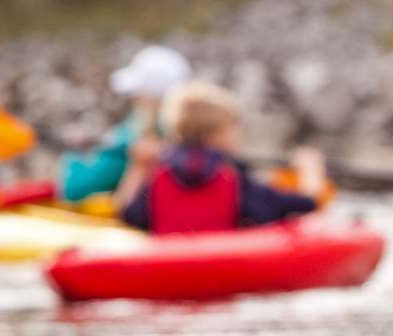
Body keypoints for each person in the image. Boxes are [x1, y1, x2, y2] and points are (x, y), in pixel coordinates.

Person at [119, 80, 326, 234]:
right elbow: (307, 204)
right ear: (218, 133)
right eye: (235, 128)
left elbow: (128, 215)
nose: (239, 135)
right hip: (222, 270)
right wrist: (311, 169)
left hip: (166, 267)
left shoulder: (159, 172)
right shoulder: (233, 175)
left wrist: (137, 166)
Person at [60, 45, 192, 205]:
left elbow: (75, 190)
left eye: (138, 97)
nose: (133, 101)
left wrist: (75, 154)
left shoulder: (135, 137)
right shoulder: (195, 141)